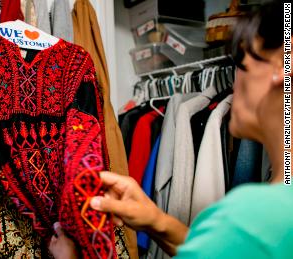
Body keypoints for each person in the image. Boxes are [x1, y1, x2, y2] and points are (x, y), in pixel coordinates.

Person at [49, 0, 293, 258]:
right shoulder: (267, 222)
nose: (234, 78)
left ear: (281, 65)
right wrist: (156, 221)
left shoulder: (250, 221)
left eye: (240, 60)